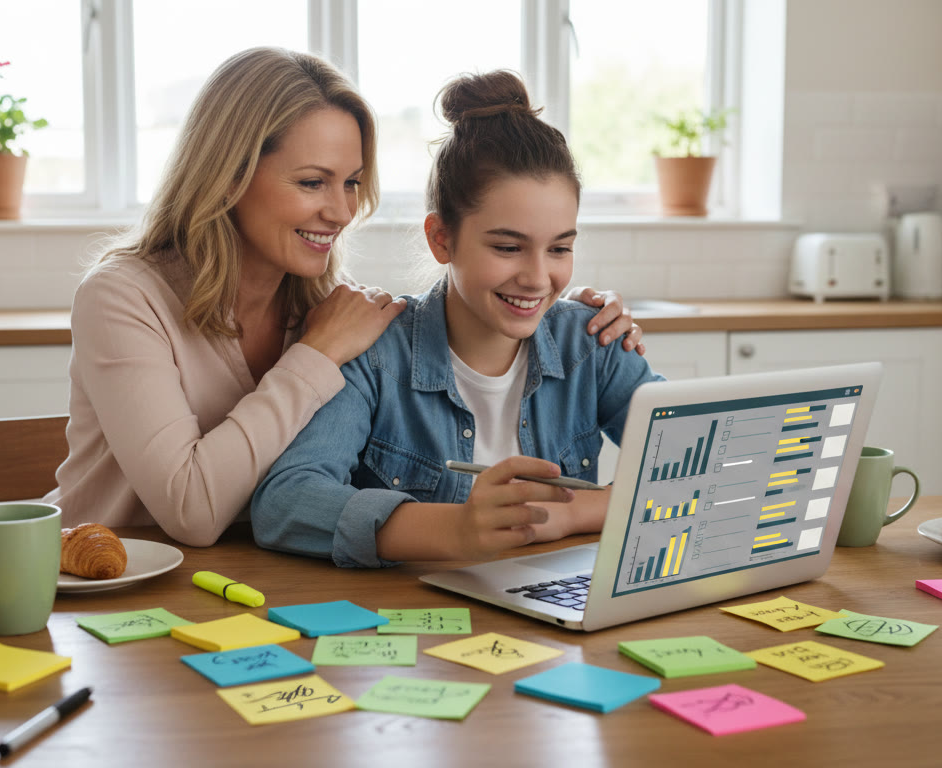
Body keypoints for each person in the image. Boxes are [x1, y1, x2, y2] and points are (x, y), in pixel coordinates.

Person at [45, 48, 644, 548]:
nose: (341, 211)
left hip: (250, 587)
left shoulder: (329, 309)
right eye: (312, 182)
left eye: (352, 181)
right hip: (114, 586)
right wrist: (316, 354)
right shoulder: (124, 298)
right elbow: (198, 509)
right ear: (228, 173)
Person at [250, 70, 665, 567]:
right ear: (441, 238)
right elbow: (285, 503)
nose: (537, 278)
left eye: (559, 248)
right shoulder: (376, 355)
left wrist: (571, 513)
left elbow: (706, 465)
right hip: (416, 622)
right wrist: (458, 529)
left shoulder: (592, 343)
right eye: (508, 247)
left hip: (554, 613)